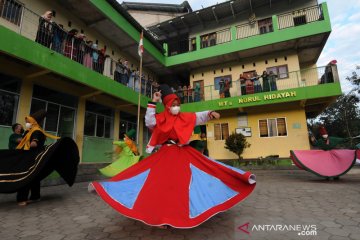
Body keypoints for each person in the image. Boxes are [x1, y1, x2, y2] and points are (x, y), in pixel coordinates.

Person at [89, 84, 256, 228]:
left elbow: (198, 116)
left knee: (201, 174)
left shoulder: (185, 117)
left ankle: (183, 213)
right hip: (164, 155)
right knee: (153, 183)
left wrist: (211, 113)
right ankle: (156, 215)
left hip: (182, 153)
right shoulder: (160, 118)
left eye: (178, 103)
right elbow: (149, 122)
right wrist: (153, 102)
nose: (177, 106)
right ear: (168, 105)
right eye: (174, 104)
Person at [0, 110, 80, 206]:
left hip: (32, 158)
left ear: (33, 122)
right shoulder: (28, 131)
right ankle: (35, 196)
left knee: (27, 176)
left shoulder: (37, 131)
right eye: (26, 122)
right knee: (34, 177)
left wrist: (33, 142)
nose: (27, 124)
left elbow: (34, 141)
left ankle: (22, 198)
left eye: (28, 122)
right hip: (26, 156)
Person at [291, 124, 357, 179]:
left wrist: (349, 138)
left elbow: (342, 140)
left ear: (327, 135)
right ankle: (327, 176)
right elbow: (314, 144)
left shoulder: (332, 139)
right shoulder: (320, 141)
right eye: (323, 135)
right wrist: (312, 140)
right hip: (324, 155)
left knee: (335, 165)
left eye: (325, 135)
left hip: (333, 153)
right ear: (322, 136)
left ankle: (336, 176)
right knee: (326, 166)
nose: (325, 136)